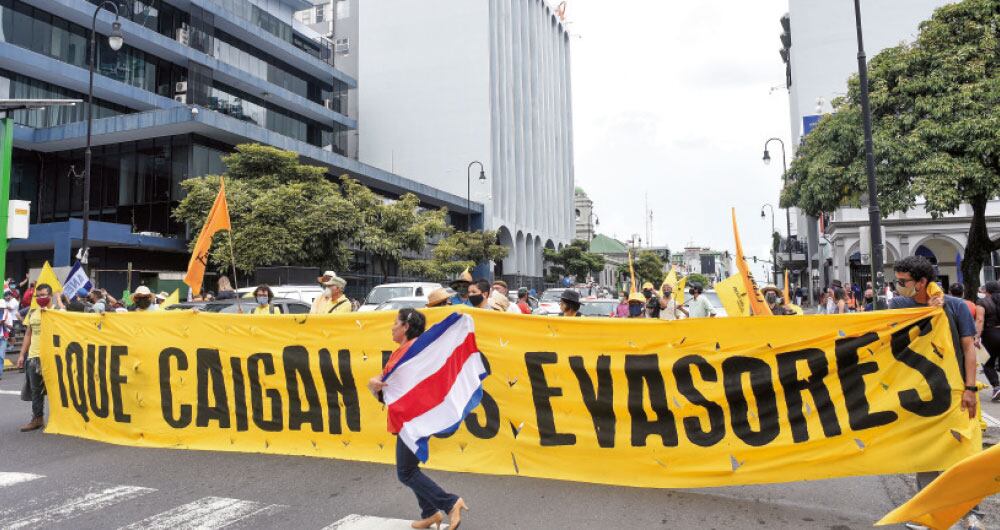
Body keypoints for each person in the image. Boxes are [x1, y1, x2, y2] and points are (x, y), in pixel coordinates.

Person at [888, 257, 982, 530]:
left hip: (955, 391)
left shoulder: (955, 307)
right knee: (926, 453)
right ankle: (928, 511)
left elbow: (968, 349)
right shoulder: (899, 306)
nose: (898, 286)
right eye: (897, 281)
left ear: (921, 283)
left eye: (903, 282)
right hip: (918, 392)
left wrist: (971, 388)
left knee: (961, 452)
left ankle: (969, 512)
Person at [366, 309, 469, 529]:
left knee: (406, 472)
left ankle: (450, 502)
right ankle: (430, 513)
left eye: (395, 323)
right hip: (410, 419)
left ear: (405, 327)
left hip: (412, 421)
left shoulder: (409, 353)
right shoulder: (403, 351)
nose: (392, 327)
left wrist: (374, 385)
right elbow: (388, 385)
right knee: (410, 468)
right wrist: (375, 382)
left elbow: (389, 389)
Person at [17, 283, 53, 432]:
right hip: (33, 357)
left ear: (50, 295)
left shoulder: (59, 312)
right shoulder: (32, 312)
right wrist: (21, 355)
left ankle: (62, 419)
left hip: (52, 357)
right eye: (38, 296)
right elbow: (28, 334)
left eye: (44, 295)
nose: (40, 298)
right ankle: (37, 418)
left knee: (57, 390)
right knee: (35, 390)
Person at [975, 281, 1000, 402]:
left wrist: (976, 337)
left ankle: (997, 387)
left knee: (987, 363)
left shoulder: (982, 302)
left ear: (986, 291)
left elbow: (979, 320)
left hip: (991, 335)